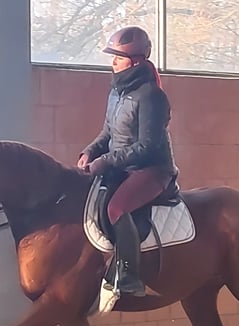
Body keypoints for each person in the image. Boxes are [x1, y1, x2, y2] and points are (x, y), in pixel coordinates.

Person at [78, 25, 179, 297]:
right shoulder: (117, 93)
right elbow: (108, 132)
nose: (112, 62)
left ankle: (130, 276)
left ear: (135, 61)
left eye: (118, 57)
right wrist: (89, 151)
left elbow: (147, 146)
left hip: (152, 170)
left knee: (116, 208)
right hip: (122, 166)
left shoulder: (152, 96)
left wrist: (107, 161)